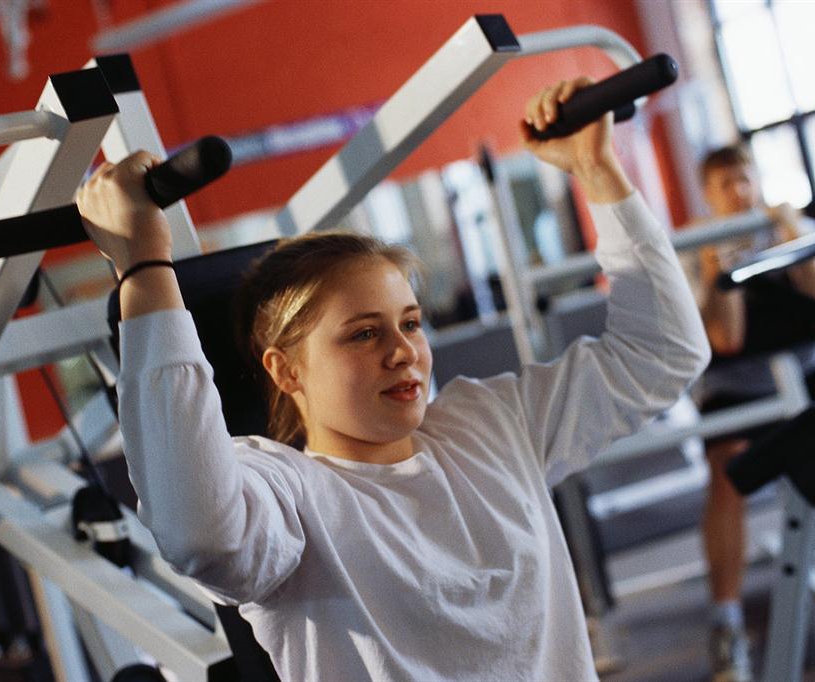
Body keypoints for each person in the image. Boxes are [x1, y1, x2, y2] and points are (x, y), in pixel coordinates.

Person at [76, 78, 710, 681]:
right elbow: (200, 535)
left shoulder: (490, 426)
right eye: (364, 333)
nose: (403, 351)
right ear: (285, 368)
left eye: (410, 324)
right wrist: (143, 264)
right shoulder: (287, 495)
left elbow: (663, 353)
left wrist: (599, 171)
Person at [690, 145, 815, 682]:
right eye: (725, 185)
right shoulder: (699, 247)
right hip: (740, 388)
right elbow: (727, 338)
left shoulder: (786, 224)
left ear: (756, 179)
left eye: (744, 179)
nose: (739, 191)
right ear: (710, 195)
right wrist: (722, 262)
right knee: (728, 472)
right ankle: (726, 622)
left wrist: (792, 239)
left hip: (810, 372)